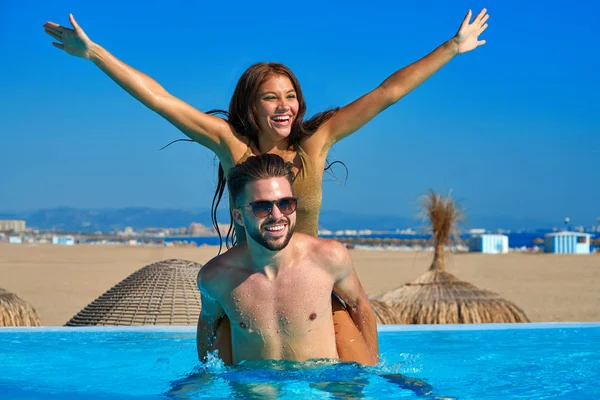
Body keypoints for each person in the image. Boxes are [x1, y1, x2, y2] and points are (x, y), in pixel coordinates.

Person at [43, 8, 489, 364]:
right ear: (251, 107)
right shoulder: (231, 147)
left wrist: (453, 46)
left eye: (291, 95)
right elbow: (161, 100)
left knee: (359, 382)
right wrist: (95, 54)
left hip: (313, 289)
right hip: (248, 291)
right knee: (221, 383)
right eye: (271, 97)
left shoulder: (316, 143)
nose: (285, 106)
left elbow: (387, 92)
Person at [196, 153, 378, 364]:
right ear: (239, 217)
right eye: (262, 207)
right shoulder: (216, 278)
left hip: (317, 388)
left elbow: (360, 306)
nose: (276, 215)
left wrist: (374, 370)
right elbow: (207, 326)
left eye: (286, 204)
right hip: (255, 387)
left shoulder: (329, 259)